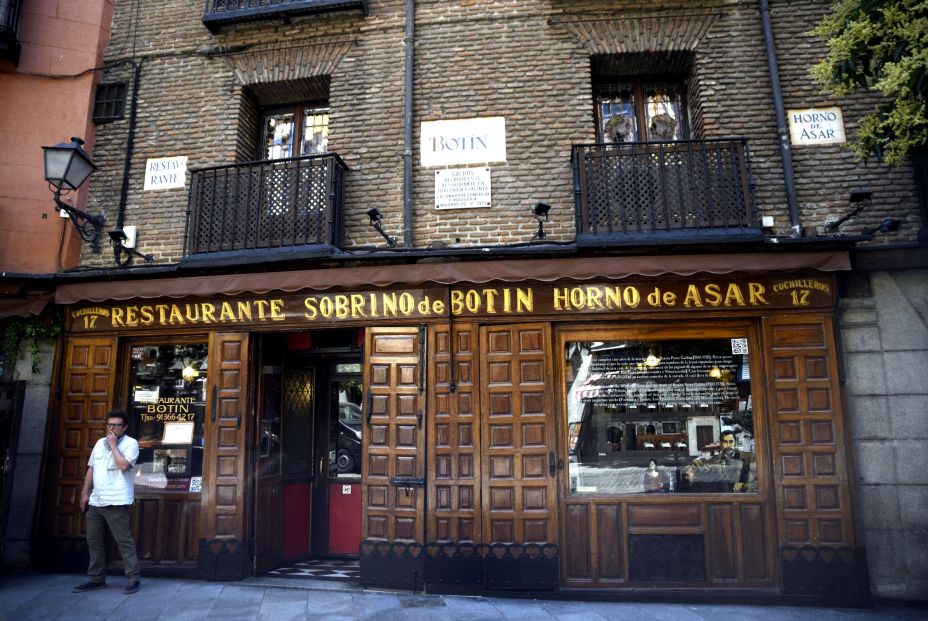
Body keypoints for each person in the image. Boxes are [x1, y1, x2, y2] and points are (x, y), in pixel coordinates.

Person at [73, 410, 141, 594]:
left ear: (124, 427)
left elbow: (124, 465)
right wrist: (84, 493)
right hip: (96, 499)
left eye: (116, 425)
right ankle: (96, 578)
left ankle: (133, 578)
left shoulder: (131, 444)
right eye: (109, 424)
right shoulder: (99, 443)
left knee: (123, 540)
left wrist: (113, 446)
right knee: (93, 540)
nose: (112, 428)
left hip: (116, 499)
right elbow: (91, 468)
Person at [683, 430, 755, 493]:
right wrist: (690, 469)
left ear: (735, 442)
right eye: (725, 442)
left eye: (731, 442)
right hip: (724, 496)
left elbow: (757, 479)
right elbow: (700, 463)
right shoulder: (715, 459)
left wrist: (744, 485)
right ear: (721, 444)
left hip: (744, 496)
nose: (728, 445)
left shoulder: (747, 457)